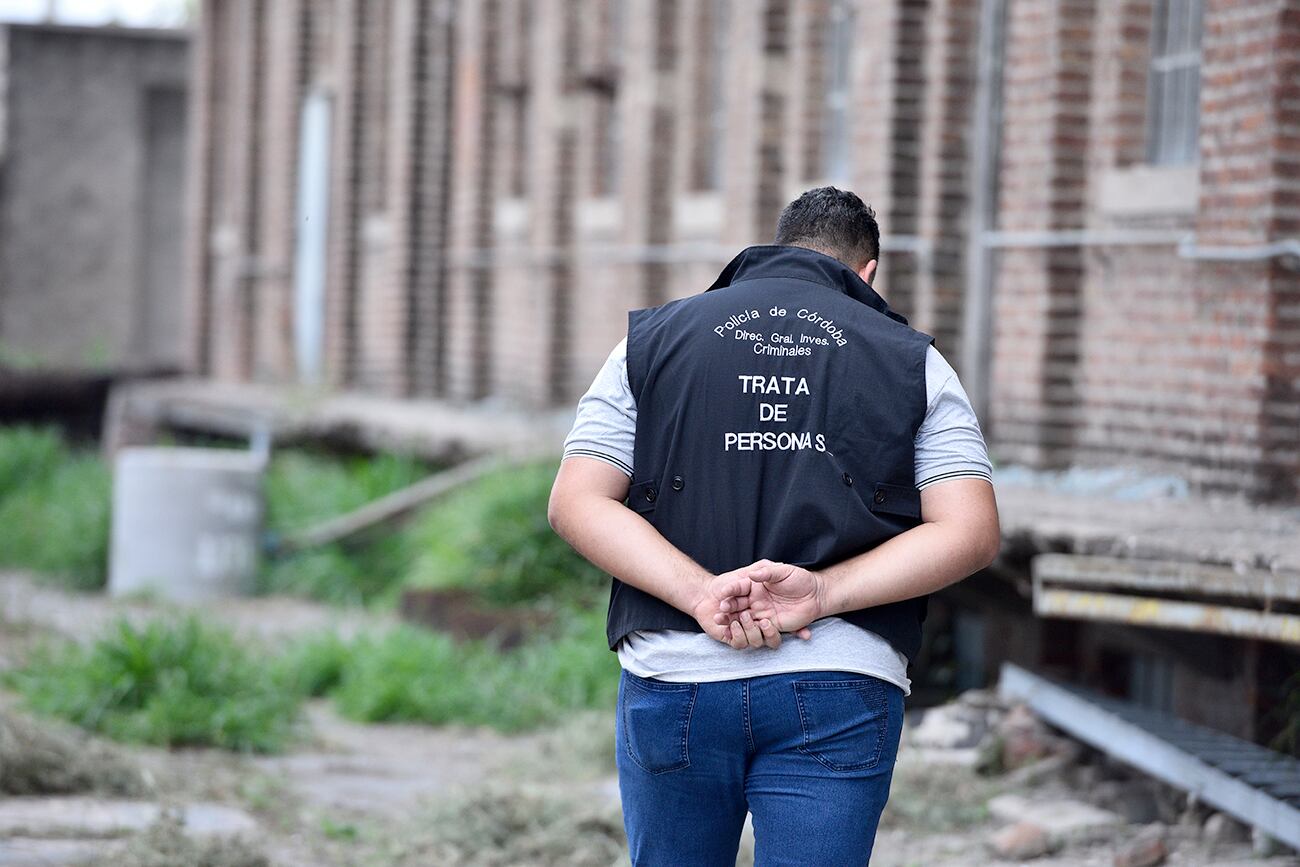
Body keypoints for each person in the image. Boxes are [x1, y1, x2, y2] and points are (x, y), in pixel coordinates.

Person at [548, 186, 1000, 866]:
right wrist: (821, 593)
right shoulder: (914, 362)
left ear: (776, 249)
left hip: (677, 677)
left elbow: (577, 502)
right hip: (840, 678)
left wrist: (701, 593)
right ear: (866, 272)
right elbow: (970, 530)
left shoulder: (648, 344)